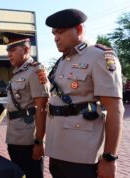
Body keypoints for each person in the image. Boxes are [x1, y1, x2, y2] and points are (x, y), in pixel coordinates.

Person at [45, 9, 124, 178]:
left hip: (82, 154)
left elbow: (115, 109)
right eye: (53, 33)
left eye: (60, 32)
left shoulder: (100, 57)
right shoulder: (61, 62)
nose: (55, 38)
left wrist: (109, 158)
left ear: (79, 29)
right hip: (57, 149)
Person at [3, 32, 50, 178]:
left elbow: (42, 108)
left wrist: (39, 141)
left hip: (29, 138)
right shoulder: (17, 72)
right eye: (8, 51)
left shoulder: (36, 70)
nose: (9, 55)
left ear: (26, 50)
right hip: (14, 136)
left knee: (33, 175)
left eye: (12, 50)